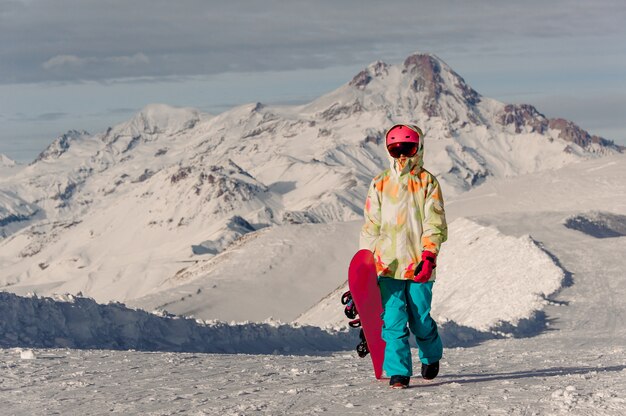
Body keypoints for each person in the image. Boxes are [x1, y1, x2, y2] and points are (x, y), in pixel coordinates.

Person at [359, 124, 448, 389]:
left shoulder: (427, 182)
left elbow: (435, 223)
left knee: (420, 319)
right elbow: (370, 224)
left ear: (418, 148)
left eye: (407, 148)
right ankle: (399, 372)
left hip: (419, 264)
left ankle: (431, 356)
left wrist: (429, 255)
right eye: (395, 149)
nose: (401, 155)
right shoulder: (380, 182)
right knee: (393, 320)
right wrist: (366, 262)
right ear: (388, 150)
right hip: (386, 266)